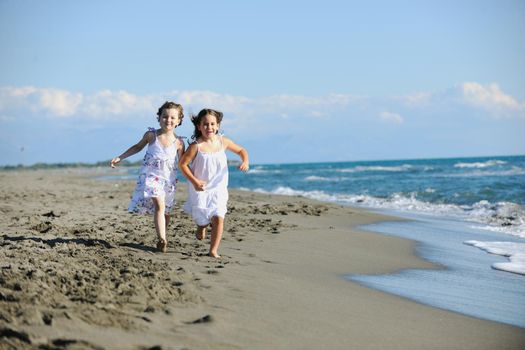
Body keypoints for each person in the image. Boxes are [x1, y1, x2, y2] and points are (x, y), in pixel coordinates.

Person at [110, 101, 185, 253]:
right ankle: (162, 239)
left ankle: (162, 233)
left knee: (166, 211)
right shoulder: (151, 135)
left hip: (168, 181)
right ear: (159, 118)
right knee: (160, 206)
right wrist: (120, 157)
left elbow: (184, 163)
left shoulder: (179, 143)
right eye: (164, 116)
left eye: (172, 117)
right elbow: (137, 147)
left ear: (178, 121)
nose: (168, 120)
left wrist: (196, 177)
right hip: (151, 177)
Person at [179, 108, 249, 258]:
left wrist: (245, 161)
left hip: (219, 188)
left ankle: (213, 250)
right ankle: (201, 226)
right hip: (200, 188)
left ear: (218, 126)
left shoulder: (223, 142)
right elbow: (182, 165)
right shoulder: (196, 146)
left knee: (218, 216)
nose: (209, 127)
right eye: (205, 124)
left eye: (212, 124)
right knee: (202, 218)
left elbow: (241, 150)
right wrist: (195, 181)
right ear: (199, 126)